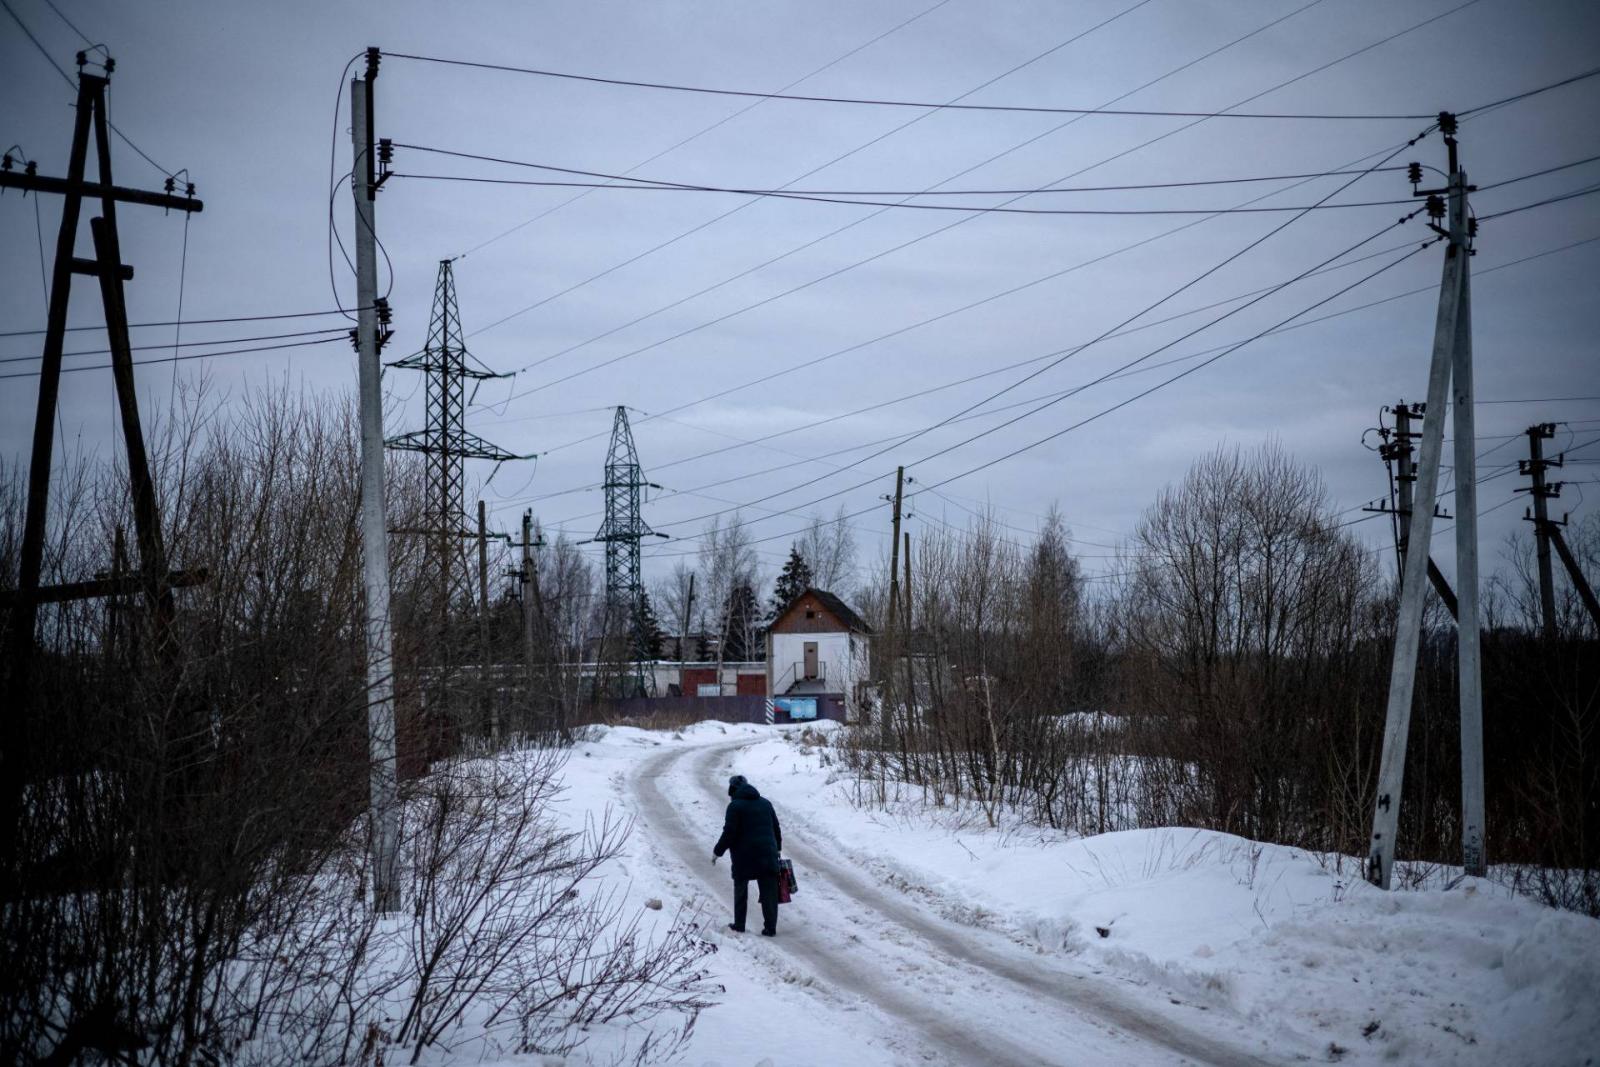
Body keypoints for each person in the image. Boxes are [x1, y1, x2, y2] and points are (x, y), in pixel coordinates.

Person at [713, 774, 783, 936]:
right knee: (769, 892)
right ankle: (770, 928)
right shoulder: (766, 803)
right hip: (767, 853)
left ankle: (739, 925)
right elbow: (776, 828)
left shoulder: (735, 806)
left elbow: (729, 833)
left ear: (732, 790)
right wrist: (777, 848)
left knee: (741, 890)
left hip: (744, 857)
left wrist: (718, 851)